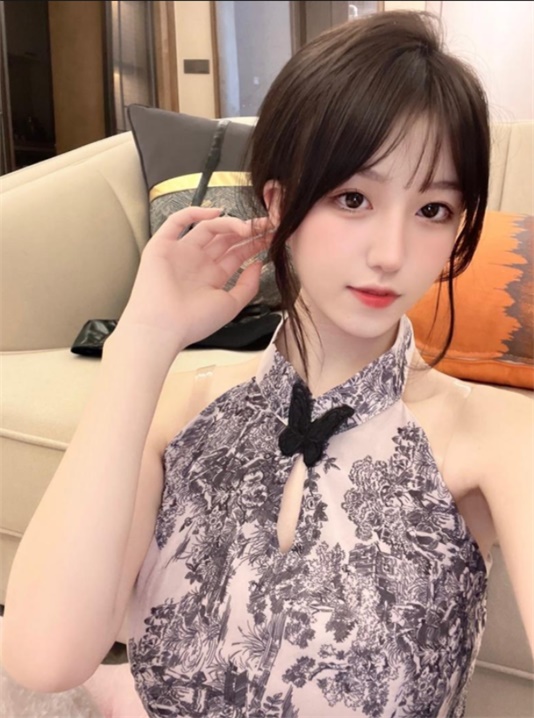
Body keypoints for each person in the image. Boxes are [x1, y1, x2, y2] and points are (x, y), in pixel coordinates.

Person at [2, 10, 532, 718]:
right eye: (353, 199)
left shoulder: (496, 435)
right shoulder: (183, 409)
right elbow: (44, 657)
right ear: (279, 203)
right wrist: (140, 344)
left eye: (433, 209)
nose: (392, 253)